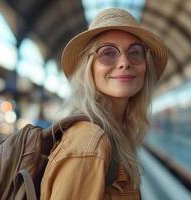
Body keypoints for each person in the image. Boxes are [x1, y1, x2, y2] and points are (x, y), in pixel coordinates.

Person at [40, 8, 168, 200]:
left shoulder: (117, 133)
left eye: (135, 52)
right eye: (108, 53)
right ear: (89, 67)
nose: (124, 62)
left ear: (145, 67)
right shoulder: (89, 144)